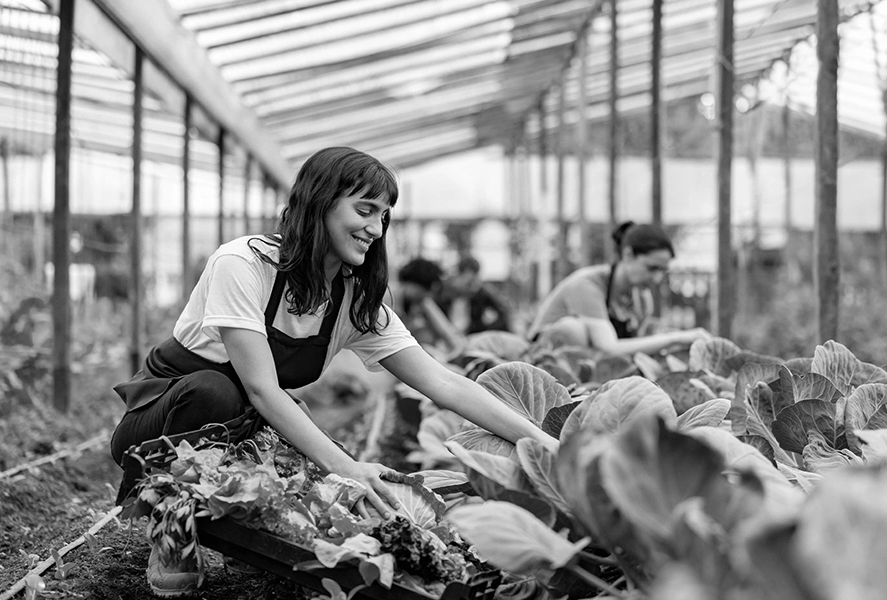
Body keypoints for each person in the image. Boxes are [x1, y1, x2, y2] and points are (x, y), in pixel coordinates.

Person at [109, 147, 557, 597]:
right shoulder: (243, 264)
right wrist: (348, 467)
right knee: (215, 392)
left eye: (384, 216)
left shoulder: (353, 299)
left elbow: (443, 382)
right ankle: (171, 529)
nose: (375, 229)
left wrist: (545, 444)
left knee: (322, 487)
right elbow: (263, 391)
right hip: (160, 428)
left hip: (245, 431)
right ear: (319, 202)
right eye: (364, 210)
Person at [526, 221, 708, 354]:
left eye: (662, 271)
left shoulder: (641, 299)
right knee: (573, 330)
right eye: (652, 268)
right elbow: (609, 348)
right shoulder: (586, 285)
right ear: (628, 254)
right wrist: (675, 338)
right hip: (542, 363)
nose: (657, 278)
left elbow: (635, 348)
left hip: (590, 368)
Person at [394, 257, 465, 353]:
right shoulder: (387, 301)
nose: (429, 296)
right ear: (413, 284)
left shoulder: (422, 301)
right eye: (427, 291)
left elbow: (447, 332)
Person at [445, 255, 514, 335]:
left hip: (472, 336)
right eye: (469, 281)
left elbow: (505, 308)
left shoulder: (481, 292)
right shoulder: (447, 294)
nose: (472, 284)